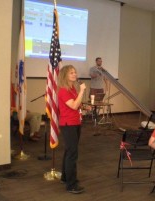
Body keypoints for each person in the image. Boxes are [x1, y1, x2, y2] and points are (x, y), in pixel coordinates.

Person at [58, 65, 86, 194]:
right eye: (71, 73)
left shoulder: (72, 89)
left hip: (75, 122)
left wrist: (85, 108)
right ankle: (71, 185)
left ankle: (65, 177)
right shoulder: (63, 90)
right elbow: (74, 106)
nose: (75, 75)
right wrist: (82, 91)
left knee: (69, 151)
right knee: (72, 153)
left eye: (75, 72)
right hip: (68, 124)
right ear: (65, 76)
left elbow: (77, 104)